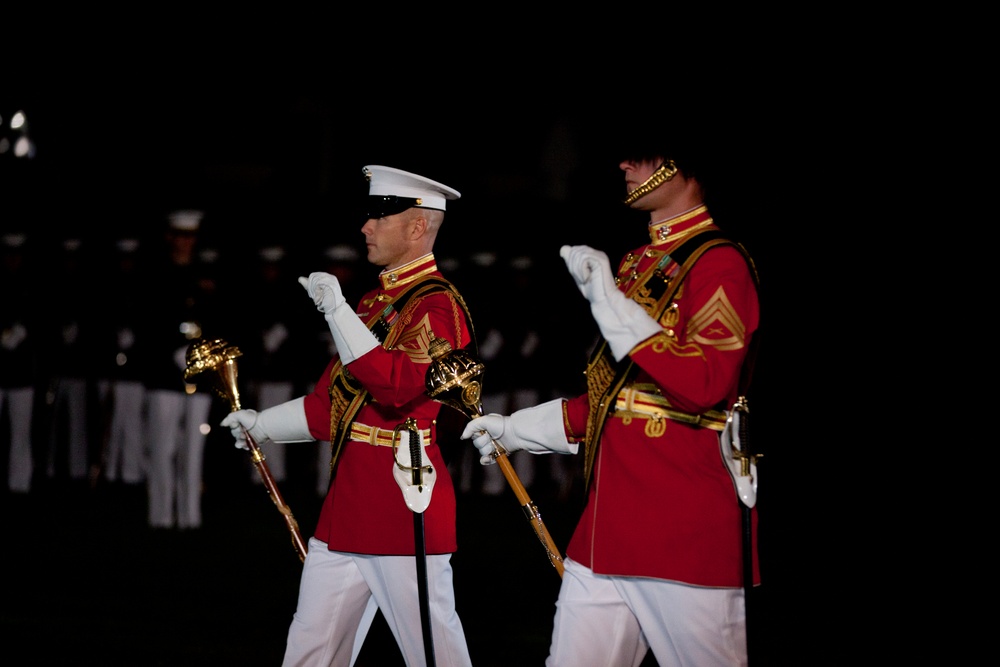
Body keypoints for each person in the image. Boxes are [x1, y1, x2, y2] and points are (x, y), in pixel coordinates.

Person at [461, 133, 762, 667]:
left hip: (681, 532)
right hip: (604, 530)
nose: (625, 162)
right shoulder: (637, 262)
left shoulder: (720, 264)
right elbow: (609, 400)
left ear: (681, 163)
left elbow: (707, 381)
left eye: (643, 152)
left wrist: (614, 309)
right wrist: (515, 430)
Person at [221, 165, 475, 667]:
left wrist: (337, 314)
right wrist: (262, 425)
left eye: (380, 216)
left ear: (417, 228)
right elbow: (328, 408)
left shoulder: (438, 306)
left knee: (435, 656)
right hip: (346, 510)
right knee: (311, 653)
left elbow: (398, 386)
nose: (366, 227)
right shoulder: (374, 302)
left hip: (404, 506)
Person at [141, 209, 219, 530]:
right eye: (181, 236)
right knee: (162, 446)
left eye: (191, 237)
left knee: (193, 448)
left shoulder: (206, 274)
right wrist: (170, 346)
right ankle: (161, 514)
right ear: (170, 238)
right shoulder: (157, 274)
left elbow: (217, 320)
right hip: (164, 373)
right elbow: (148, 320)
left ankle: (189, 516)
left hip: (198, 372)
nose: (186, 243)